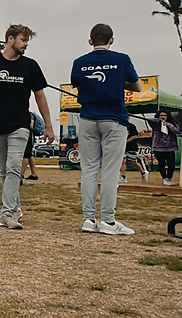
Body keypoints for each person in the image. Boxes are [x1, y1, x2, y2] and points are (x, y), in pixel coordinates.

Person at [0, 24, 54, 230]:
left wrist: (48, 125)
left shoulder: (30, 66)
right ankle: (15, 208)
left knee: (13, 167)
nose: (26, 45)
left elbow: (40, 97)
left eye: (28, 41)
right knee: (5, 171)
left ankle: (7, 214)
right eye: (23, 40)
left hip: (20, 125)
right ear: (10, 39)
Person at [71, 23, 141, 236]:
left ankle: (89, 219)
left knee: (89, 169)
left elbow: (78, 84)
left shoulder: (79, 62)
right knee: (110, 171)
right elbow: (137, 86)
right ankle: (108, 221)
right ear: (112, 40)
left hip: (88, 118)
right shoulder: (122, 59)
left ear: (90, 41)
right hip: (114, 118)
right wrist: (118, 82)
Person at [147, 110, 182, 186]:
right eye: (161, 115)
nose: (163, 117)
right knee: (161, 164)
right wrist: (159, 121)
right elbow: (149, 120)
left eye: (165, 115)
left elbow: (178, 131)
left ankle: (169, 178)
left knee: (171, 164)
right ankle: (164, 178)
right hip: (158, 147)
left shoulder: (172, 124)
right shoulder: (156, 124)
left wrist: (168, 125)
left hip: (170, 147)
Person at [21, 114, 39, 181]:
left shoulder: (29, 114)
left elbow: (31, 125)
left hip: (28, 136)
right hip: (28, 136)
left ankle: (21, 174)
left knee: (25, 155)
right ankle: (34, 174)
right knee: (30, 155)